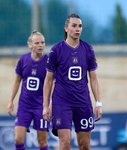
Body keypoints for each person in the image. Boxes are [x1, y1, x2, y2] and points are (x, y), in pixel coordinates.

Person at [43, 13, 102, 150]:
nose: (77, 29)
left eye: (80, 26)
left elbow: (93, 78)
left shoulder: (88, 50)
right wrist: (46, 105)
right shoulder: (56, 50)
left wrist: (98, 103)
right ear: (66, 28)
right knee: (65, 143)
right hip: (61, 101)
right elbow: (48, 79)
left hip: (82, 101)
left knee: (84, 145)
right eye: (74, 26)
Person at [7, 30, 50, 150]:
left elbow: (53, 85)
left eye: (42, 42)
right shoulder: (23, 60)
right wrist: (11, 101)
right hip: (24, 106)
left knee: (42, 142)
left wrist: (49, 106)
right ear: (30, 44)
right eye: (37, 43)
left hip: (41, 107)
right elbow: (17, 81)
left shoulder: (49, 62)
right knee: (18, 139)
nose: (40, 45)